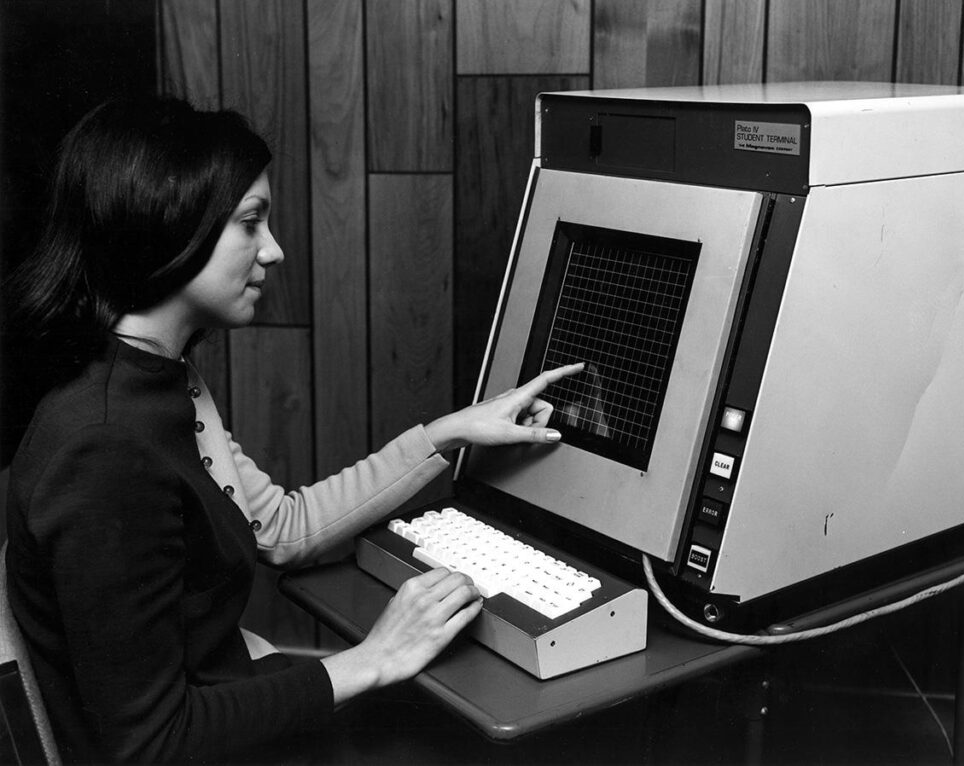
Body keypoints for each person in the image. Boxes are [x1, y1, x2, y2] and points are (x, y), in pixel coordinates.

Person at [2, 96, 581, 763]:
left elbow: (280, 526)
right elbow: (150, 745)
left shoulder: (159, 379)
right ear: (170, 222)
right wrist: (371, 660)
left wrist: (448, 434)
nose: (273, 251)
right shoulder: (105, 449)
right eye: (251, 222)